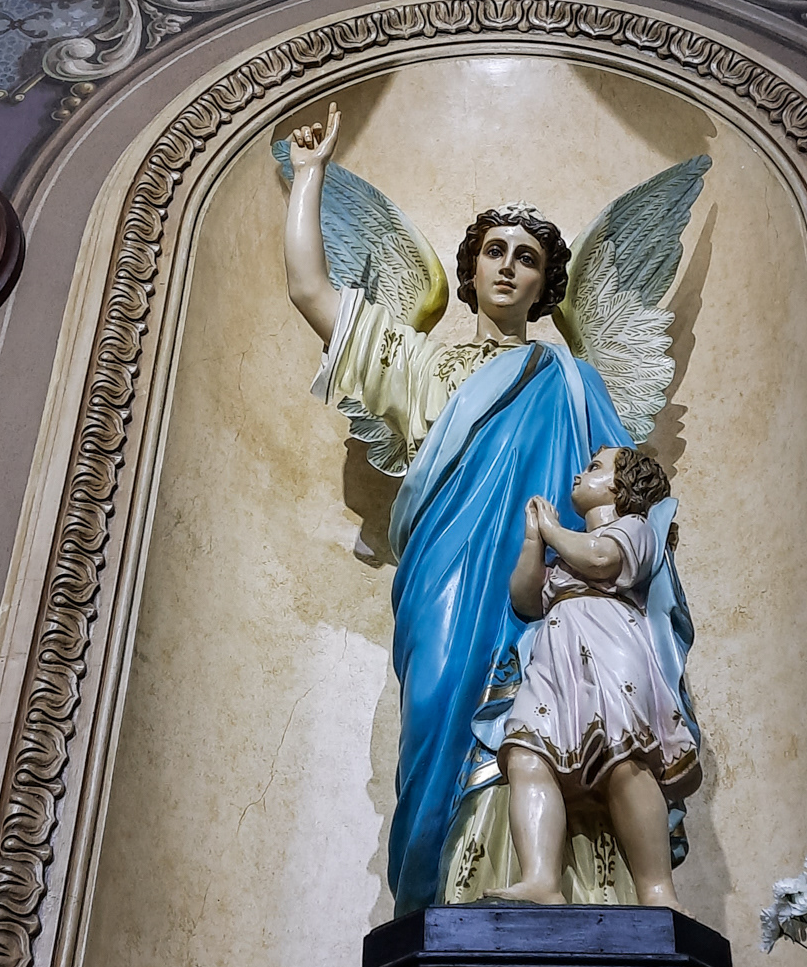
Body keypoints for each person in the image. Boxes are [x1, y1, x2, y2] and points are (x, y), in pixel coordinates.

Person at [283, 105, 697, 916]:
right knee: (439, 704)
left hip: (557, 597)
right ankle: (441, 896)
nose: (508, 267)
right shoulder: (419, 367)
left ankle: (567, 887)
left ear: (546, 286)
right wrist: (308, 178)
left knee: (560, 722)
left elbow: (631, 502)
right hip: (444, 578)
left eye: (528, 259)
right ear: (470, 269)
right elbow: (309, 290)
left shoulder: (571, 379)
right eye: (495, 252)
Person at [495, 446, 699, 910]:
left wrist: (553, 530)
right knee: (526, 754)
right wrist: (533, 540)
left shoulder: (635, 528)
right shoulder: (567, 552)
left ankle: (658, 892)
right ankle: (541, 879)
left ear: (622, 485)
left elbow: (603, 559)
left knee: (625, 759)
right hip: (556, 659)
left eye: (594, 468)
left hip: (612, 647)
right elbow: (526, 598)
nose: (579, 474)